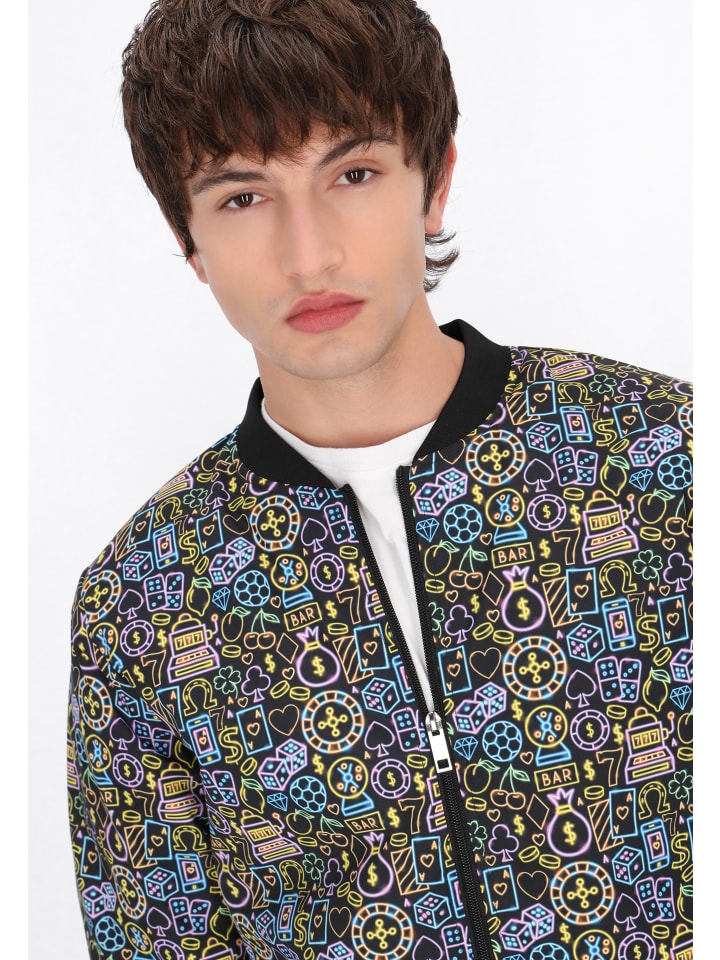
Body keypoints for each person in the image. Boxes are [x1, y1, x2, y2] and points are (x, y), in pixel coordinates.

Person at [66, 1, 694, 958]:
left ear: (433, 184)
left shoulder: (665, 456)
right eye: (242, 198)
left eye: (352, 174)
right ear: (187, 239)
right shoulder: (144, 600)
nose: (308, 254)